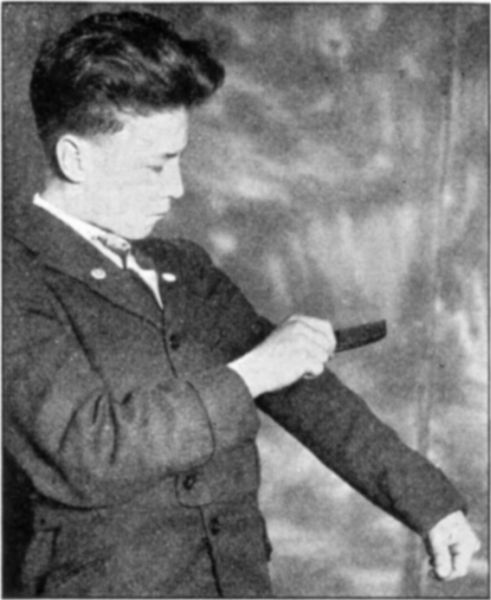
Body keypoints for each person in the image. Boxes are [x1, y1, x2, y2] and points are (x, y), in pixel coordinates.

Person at [3, 10, 480, 598]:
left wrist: (431, 505)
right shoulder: (14, 277)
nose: (176, 188)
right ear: (75, 158)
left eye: (179, 158)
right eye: (156, 165)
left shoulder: (182, 268)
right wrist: (254, 371)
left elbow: (303, 394)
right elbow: (89, 450)